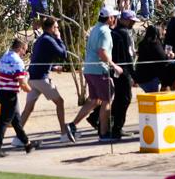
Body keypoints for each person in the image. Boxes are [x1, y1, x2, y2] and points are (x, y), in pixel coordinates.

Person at [69, 7, 122, 142]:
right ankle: (104, 133)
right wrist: (114, 66)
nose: (115, 19)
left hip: (89, 70)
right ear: (109, 18)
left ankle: (72, 125)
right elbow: (102, 52)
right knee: (107, 100)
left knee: (94, 100)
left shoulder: (95, 28)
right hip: (99, 70)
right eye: (114, 17)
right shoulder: (105, 32)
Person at [20, 17, 74, 142]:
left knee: (29, 107)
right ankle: (64, 134)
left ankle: (18, 137)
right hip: (41, 79)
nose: (57, 29)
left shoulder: (41, 40)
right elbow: (63, 54)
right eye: (56, 27)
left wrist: (53, 68)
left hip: (33, 78)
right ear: (50, 28)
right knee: (60, 102)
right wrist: (59, 38)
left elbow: (41, 58)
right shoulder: (49, 40)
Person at [0, 37, 40, 158]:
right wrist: (31, 89)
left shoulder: (5, 56)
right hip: (10, 94)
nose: (25, 53)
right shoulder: (17, 61)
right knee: (4, 121)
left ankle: (27, 144)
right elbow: (22, 82)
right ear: (20, 48)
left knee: (16, 120)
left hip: (1, 91)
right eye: (25, 50)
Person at [110, 10, 138, 139]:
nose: (132, 23)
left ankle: (112, 124)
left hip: (115, 69)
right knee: (125, 98)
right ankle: (117, 127)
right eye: (131, 21)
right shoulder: (124, 33)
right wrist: (134, 74)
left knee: (119, 98)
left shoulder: (114, 31)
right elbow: (128, 56)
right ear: (124, 20)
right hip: (124, 70)